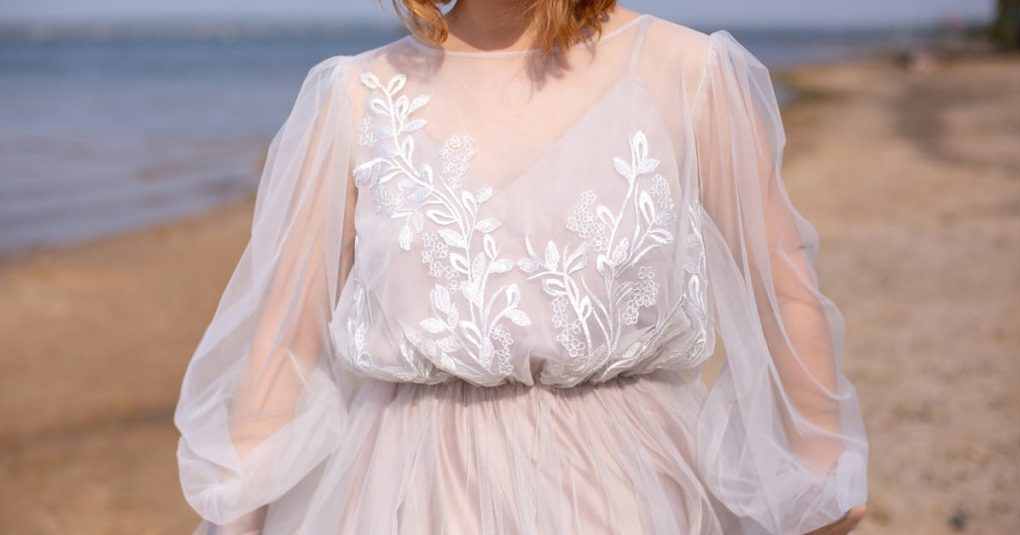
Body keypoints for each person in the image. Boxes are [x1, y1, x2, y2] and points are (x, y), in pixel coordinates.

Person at [172, 2, 869, 534]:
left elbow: (781, 281)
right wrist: (238, 514)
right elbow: (286, 334)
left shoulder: (687, 70)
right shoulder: (356, 93)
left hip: (628, 481)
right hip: (404, 491)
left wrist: (819, 470)